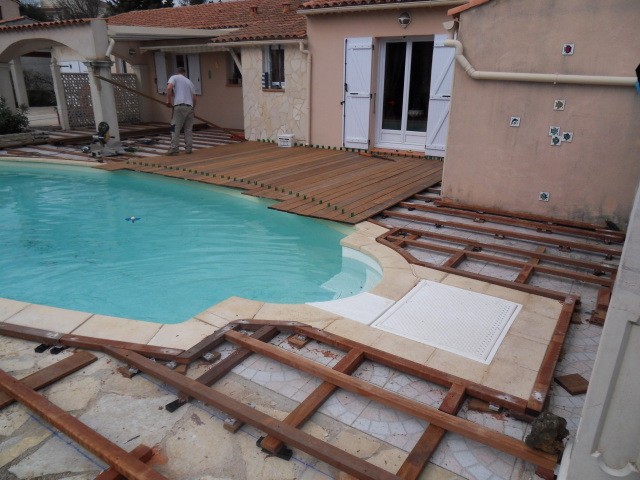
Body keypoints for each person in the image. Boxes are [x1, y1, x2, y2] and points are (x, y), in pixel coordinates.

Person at [166, 67, 196, 155]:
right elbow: (194, 98)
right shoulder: (189, 81)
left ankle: (174, 148)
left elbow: (169, 88)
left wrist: (168, 101)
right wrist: (193, 109)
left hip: (179, 106)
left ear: (177, 72)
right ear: (184, 73)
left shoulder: (174, 77)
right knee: (188, 129)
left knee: (175, 128)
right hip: (189, 107)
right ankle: (188, 148)